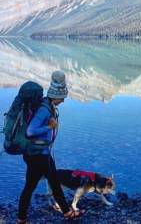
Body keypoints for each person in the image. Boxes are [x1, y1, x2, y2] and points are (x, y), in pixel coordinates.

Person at [17, 71, 84, 223]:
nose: (64, 101)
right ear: (57, 96)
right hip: (39, 155)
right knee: (43, 184)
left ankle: (22, 218)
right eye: (63, 98)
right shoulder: (44, 109)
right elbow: (30, 131)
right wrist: (48, 127)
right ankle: (67, 213)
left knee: (44, 184)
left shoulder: (47, 105)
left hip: (36, 154)